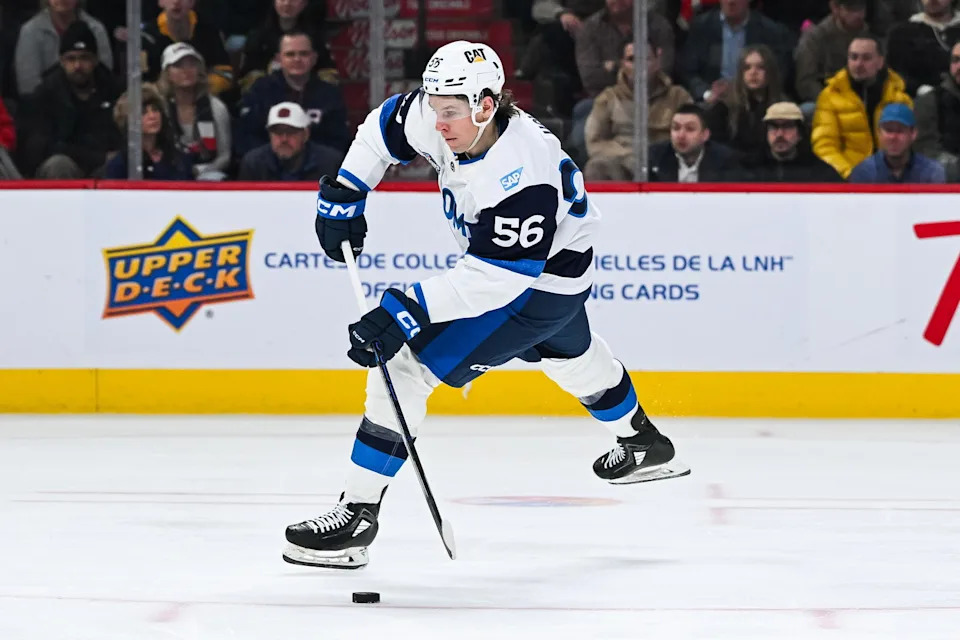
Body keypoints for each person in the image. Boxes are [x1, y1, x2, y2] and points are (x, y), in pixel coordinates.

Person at [282, 40, 690, 570]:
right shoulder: (447, 112)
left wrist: (405, 310)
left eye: (449, 112)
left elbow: (500, 280)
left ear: (486, 105)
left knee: (402, 369)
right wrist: (347, 189)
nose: (437, 122)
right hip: (563, 276)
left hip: (534, 287)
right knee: (572, 356)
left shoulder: (521, 172)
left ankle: (357, 516)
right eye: (434, 107)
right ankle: (642, 442)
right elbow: (382, 128)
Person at [156, 43, 231, 180]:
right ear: (167, 73)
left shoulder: (216, 107)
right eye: (178, 65)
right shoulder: (160, 108)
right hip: (168, 173)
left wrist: (198, 172)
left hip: (207, 174)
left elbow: (224, 156)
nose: (186, 70)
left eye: (191, 64)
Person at [105, 84, 193, 180]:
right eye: (143, 112)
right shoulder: (120, 164)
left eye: (155, 110)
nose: (152, 116)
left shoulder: (179, 159)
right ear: (129, 121)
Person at [237, 101, 342, 180]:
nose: (284, 139)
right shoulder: (254, 163)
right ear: (270, 135)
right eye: (278, 132)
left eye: (291, 132)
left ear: (305, 134)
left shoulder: (330, 163)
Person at [849, 103, 946, 182]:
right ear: (878, 133)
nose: (893, 137)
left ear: (913, 134)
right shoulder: (864, 172)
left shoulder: (931, 172)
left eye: (900, 131)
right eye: (888, 130)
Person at [748, 101, 843, 182]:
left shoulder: (821, 173)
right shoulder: (750, 169)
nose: (779, 134)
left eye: (787, 126)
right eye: (773, 127)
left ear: (800, 133)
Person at [648, 104, 741, 182]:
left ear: (705, 135)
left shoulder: (725, 161)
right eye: (676, 128)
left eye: (690, 129)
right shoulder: (655, 157)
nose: (681, 135)